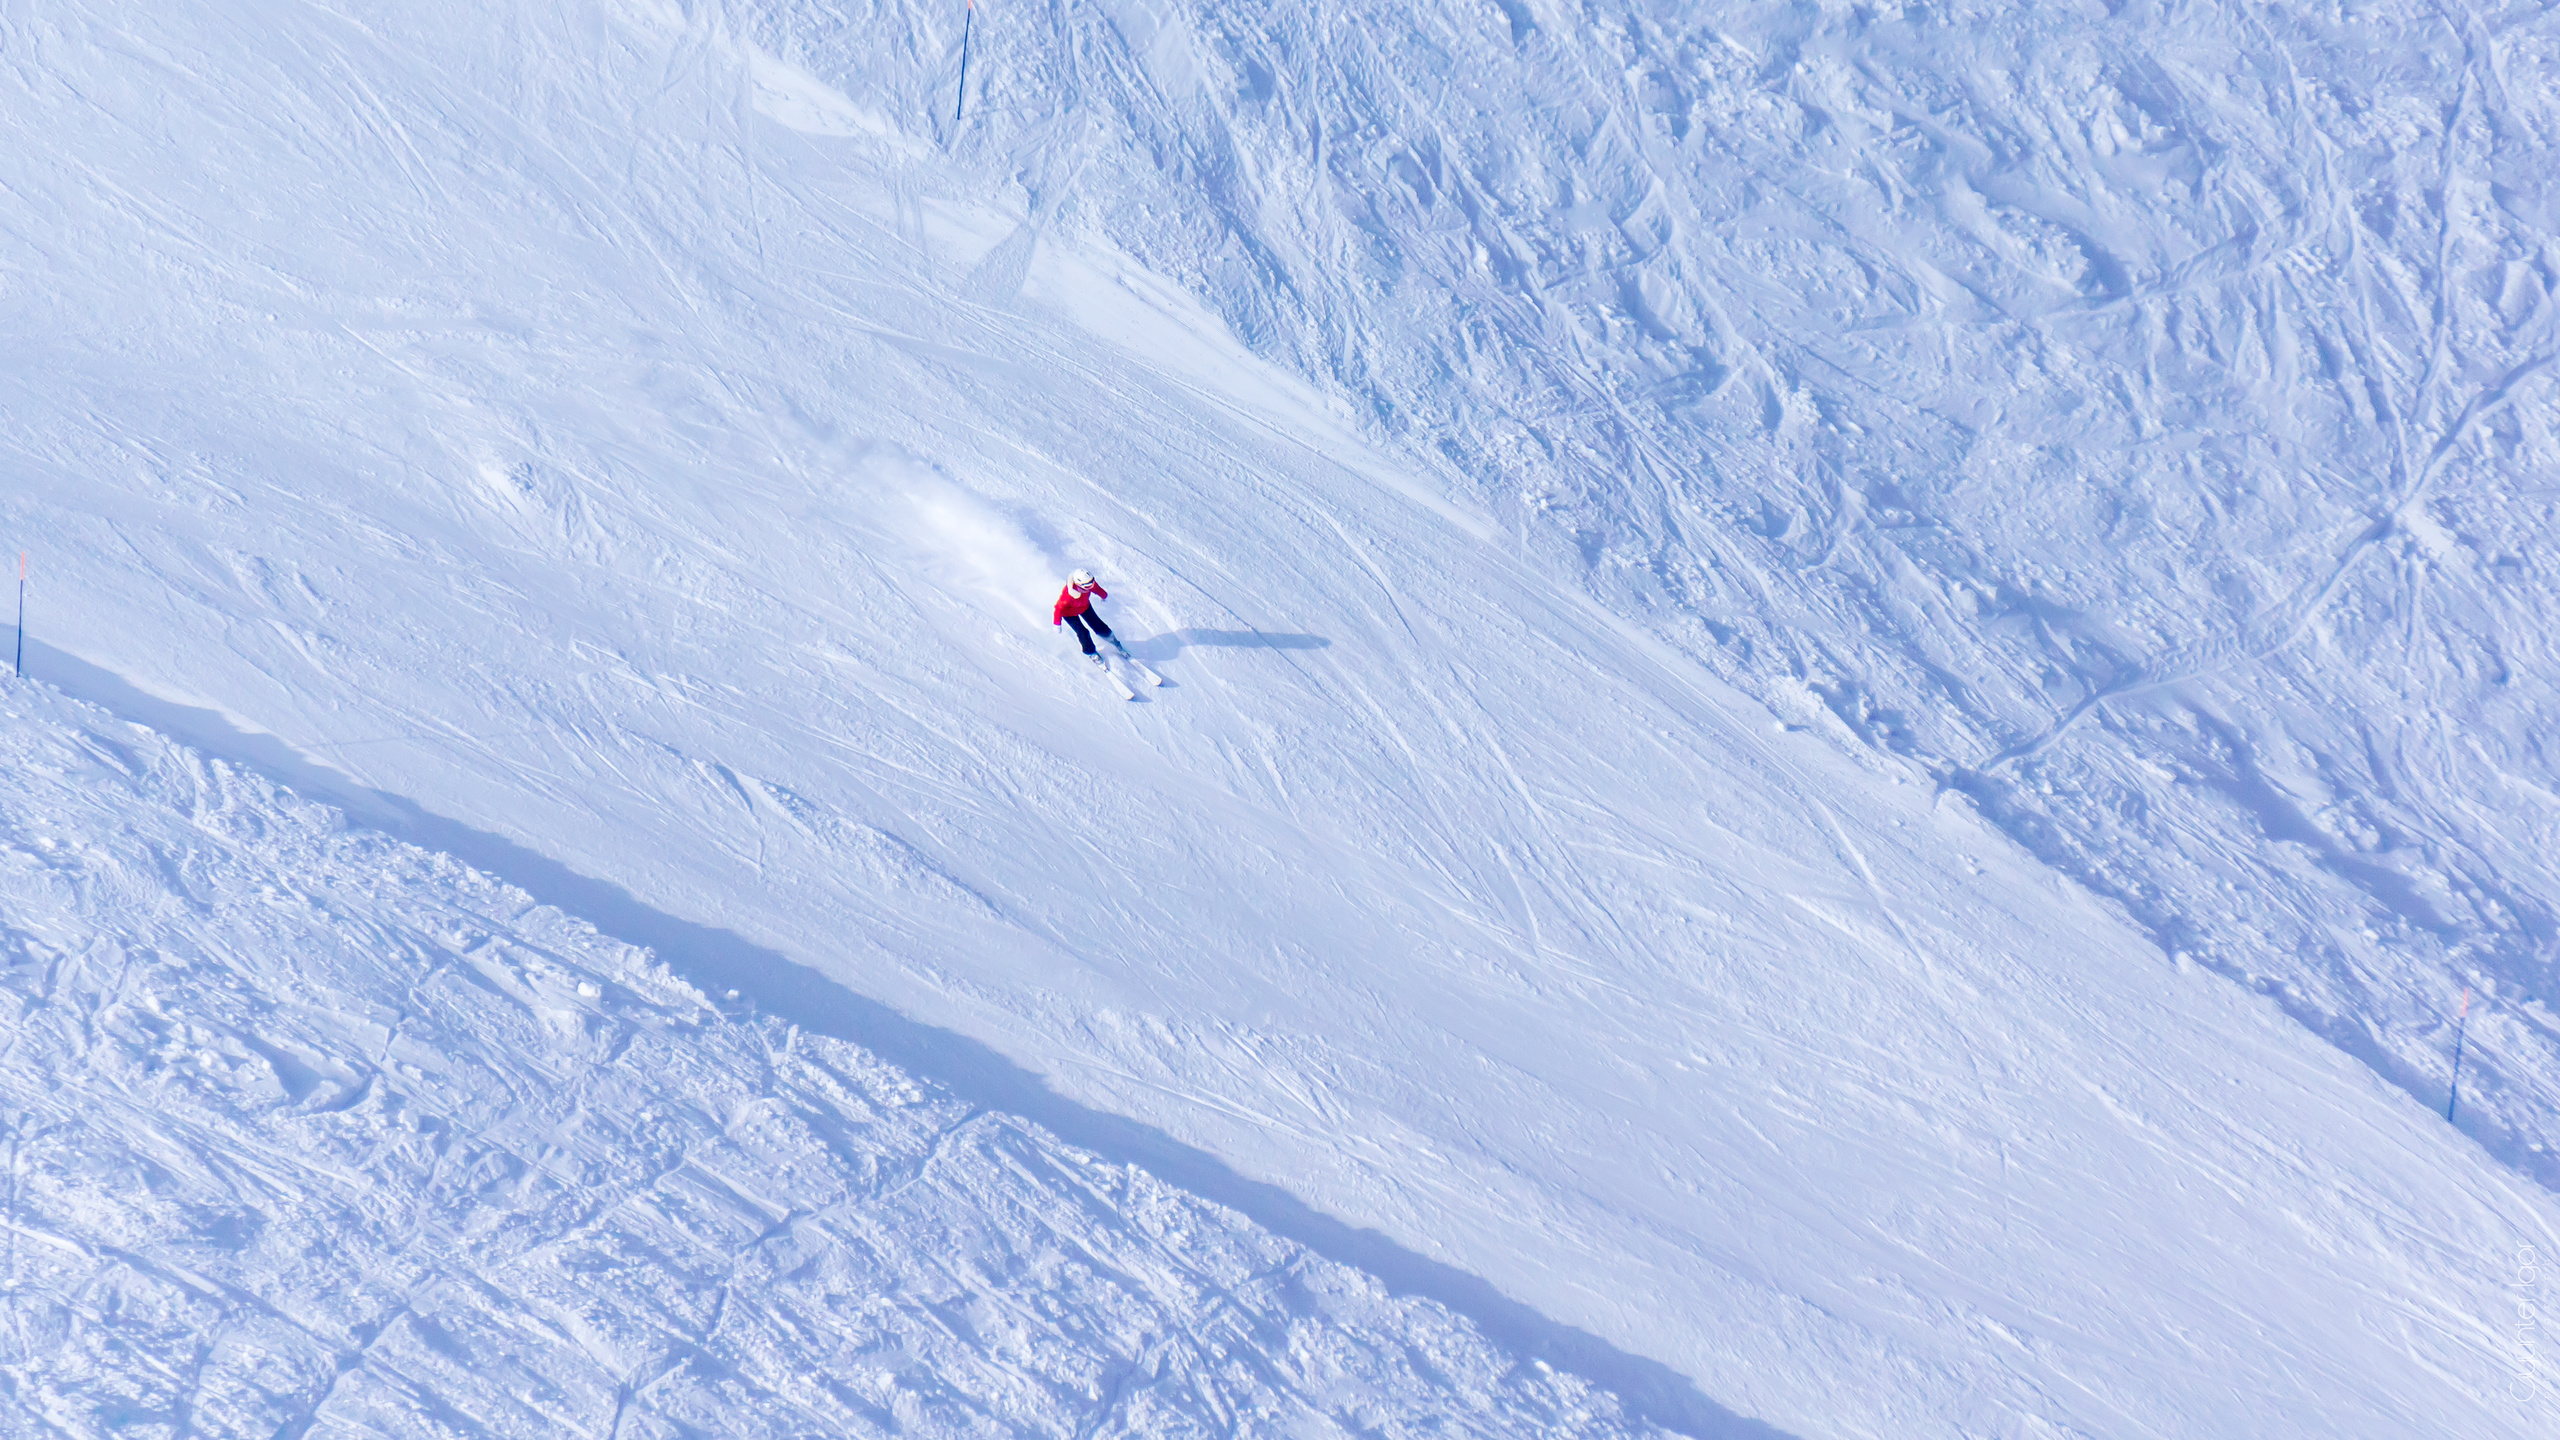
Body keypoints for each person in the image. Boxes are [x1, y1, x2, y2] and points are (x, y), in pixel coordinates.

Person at [1052, 569, 1117, 665]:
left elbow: (1097, 589)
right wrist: (1057, 624)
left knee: (1096, 623)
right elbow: (1058, 608)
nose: (1091, 586)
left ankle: (1109, 636)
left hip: (1084, 606)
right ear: (1079, 584)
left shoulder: (1090, 585)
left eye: (1092, 582)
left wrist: (1104, 596)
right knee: (1083, 632)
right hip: (1069, 614)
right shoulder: (1068, 596)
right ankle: (1090, 652)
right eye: (1088, 585)